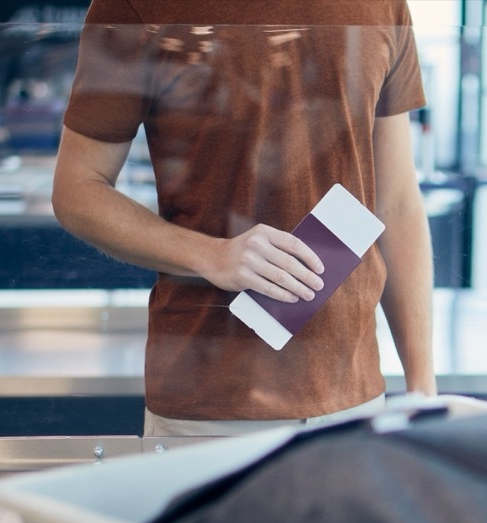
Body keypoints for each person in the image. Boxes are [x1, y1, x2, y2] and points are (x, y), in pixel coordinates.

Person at [51, 0, 437, 437]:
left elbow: (397, 201)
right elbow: (77, 188)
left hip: (358, 400)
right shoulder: (134, 5)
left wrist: (422, 388)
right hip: (210, 406)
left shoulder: (384, 4)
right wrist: (212, 255)